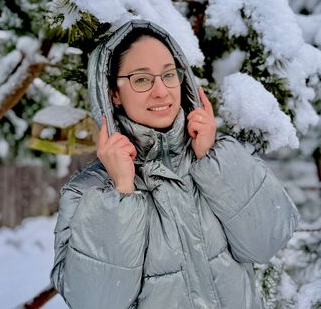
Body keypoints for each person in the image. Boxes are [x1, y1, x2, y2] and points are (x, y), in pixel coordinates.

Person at [51, 19, 299, 309]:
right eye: (141, 79)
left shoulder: (217, 159)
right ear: (113, 94)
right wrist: (121, 193)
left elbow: (267, 242)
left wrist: (215, 159)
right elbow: (95, 302)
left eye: (169, 75)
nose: (161, 91)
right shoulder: (86, 192)